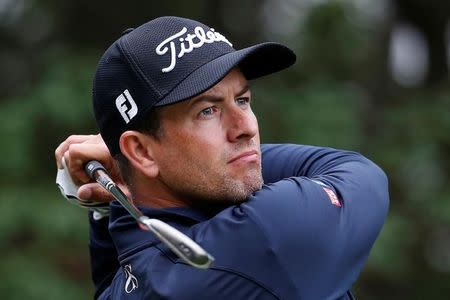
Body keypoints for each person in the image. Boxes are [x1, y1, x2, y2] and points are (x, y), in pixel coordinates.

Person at [55, 16, 389, 300]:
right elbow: (359, 173)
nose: (246, 128)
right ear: (141, 151)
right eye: (208, 110)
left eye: (242, 100)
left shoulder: (132, 276)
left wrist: (117, 187)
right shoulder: (268, 234)